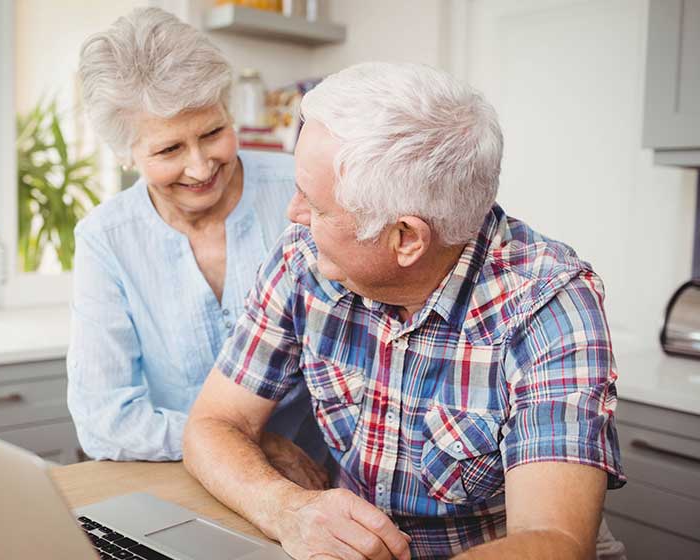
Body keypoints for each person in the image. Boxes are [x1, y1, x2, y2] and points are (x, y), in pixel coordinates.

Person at [183, 62, 626, 559]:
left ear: (405, 238)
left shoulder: (549, 303)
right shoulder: (304, 256)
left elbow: (555, 543)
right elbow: (213, 423)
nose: (294, 214)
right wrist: (286, 510)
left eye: (316, 204)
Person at [67, 6, 327, 485]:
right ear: (125, 154)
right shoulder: (106, 240)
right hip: (187, 482)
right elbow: (103, 421)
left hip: (320, 483)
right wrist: (240, 442)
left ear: (230, 112)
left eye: (213, 132)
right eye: (169, 150)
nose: (201, 166)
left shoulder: (300, 193)